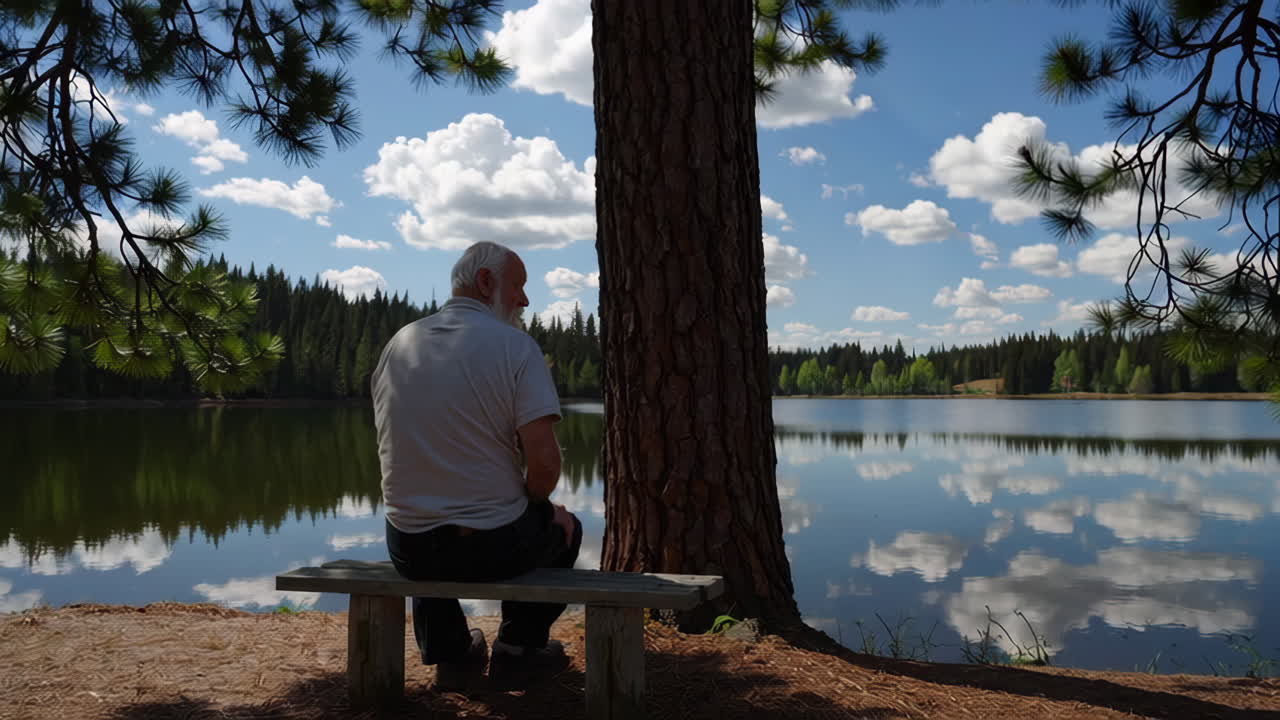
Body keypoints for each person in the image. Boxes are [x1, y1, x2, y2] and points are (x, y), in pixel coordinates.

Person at [372, 240, 581, 691]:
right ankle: (518, 650)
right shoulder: (515, 347)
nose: (525, 300)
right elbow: (545, 465)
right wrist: (539, 506)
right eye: (518, 286)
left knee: (424, 519)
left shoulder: (398, 344)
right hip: (491, 550)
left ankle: (451, 656)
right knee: (565, 526)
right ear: (486, 282)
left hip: (408, 549)